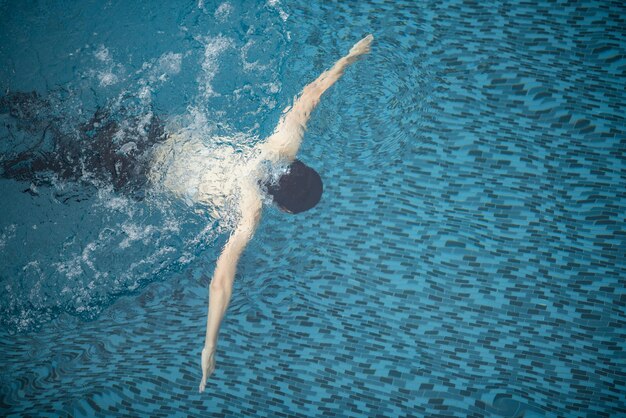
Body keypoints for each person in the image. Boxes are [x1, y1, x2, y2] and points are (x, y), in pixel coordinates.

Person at [197, 34, 373, 392]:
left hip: (154, 130)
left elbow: (311, 94)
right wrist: (209, 345)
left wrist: (349, 57)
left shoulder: (282, 144)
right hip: (127, 173)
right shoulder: (249, 211)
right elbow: (222, 281)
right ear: (282, 207)